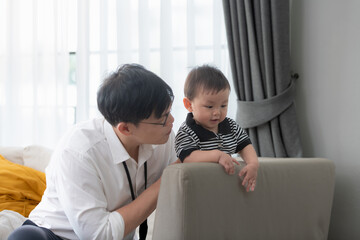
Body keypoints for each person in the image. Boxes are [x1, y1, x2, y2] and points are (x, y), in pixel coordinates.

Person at [9, 64, 177, 240]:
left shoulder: (163, 137)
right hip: (55, 234)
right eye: (162, 118)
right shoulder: (78, 151)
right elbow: (98, 235)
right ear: (125, 128)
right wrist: (165, 179)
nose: (171, 121)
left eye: (169, 111)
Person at [175, 65, 259, 192]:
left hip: (224, 186)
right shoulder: (187, 131)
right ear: (189, 105)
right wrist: (218, 155)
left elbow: (245, 146)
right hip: (198, 188)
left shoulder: (231, 126)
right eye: (209, 106)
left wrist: (253, 164)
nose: (217, 112)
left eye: (223, 105)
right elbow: (188, 157)